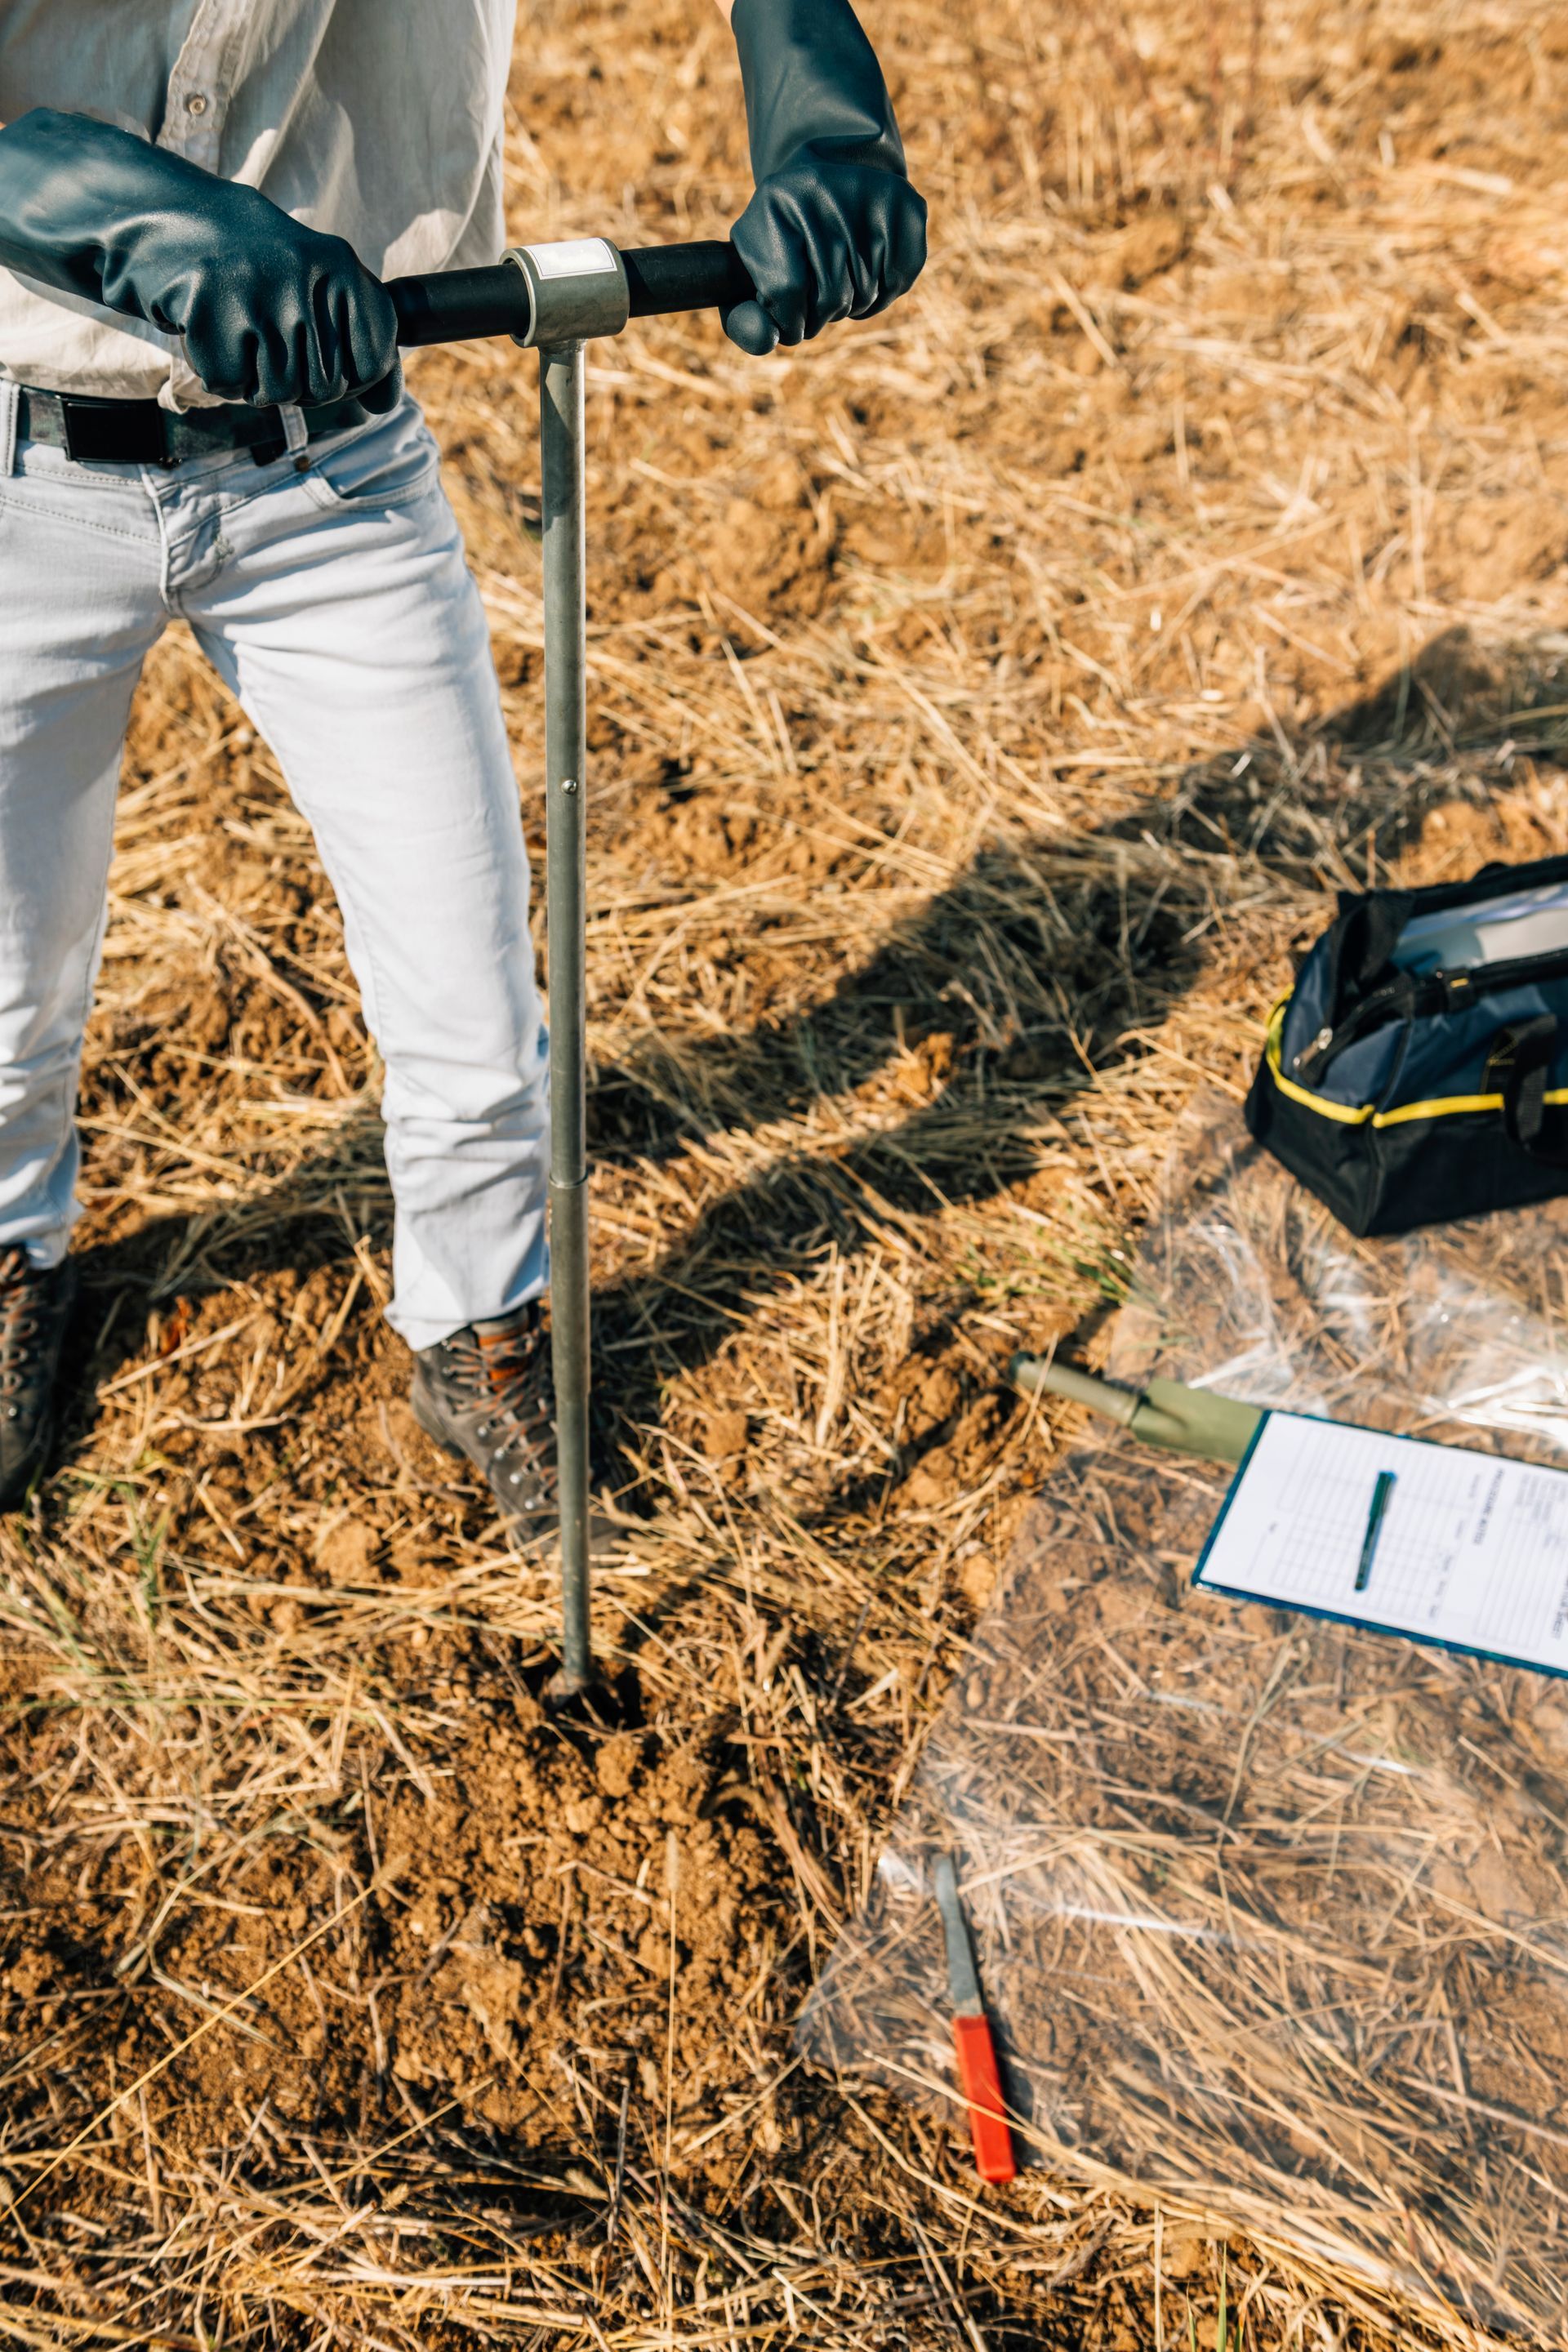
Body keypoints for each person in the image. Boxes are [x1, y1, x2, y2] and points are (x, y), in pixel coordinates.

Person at [0, 1, 925, 1517]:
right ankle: (13, 1247)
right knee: (5, 987)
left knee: (476, 1000)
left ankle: (478, 1319)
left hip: (334, 464)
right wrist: (118, 211)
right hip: (23, 450)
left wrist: (824, 113)